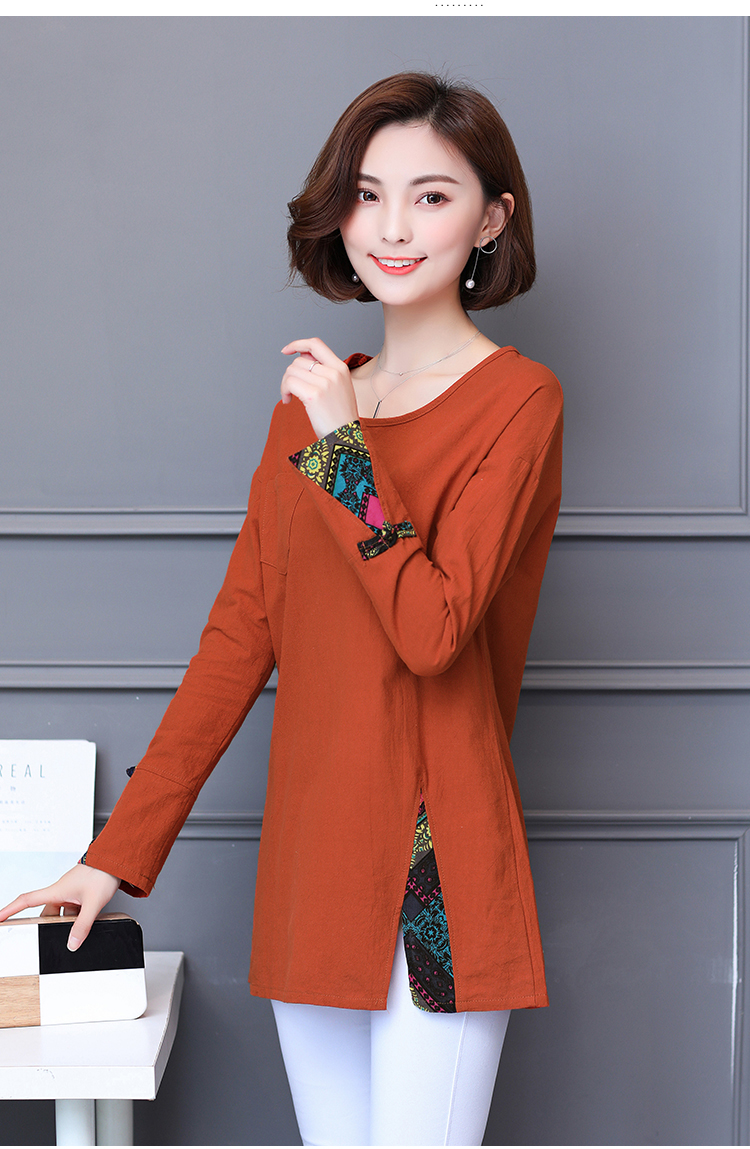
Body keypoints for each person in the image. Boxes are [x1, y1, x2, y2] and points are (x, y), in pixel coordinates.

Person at [0, 72, 563, 1146]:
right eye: (368, 194)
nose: (393, 228)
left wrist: (344, 449)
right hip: (315, 856)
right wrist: (114, 854)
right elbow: (236, 641)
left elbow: (435, 631)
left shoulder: (518, 401)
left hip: (436, 864)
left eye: (432, 197)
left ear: (492, 219)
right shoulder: (306, 412)